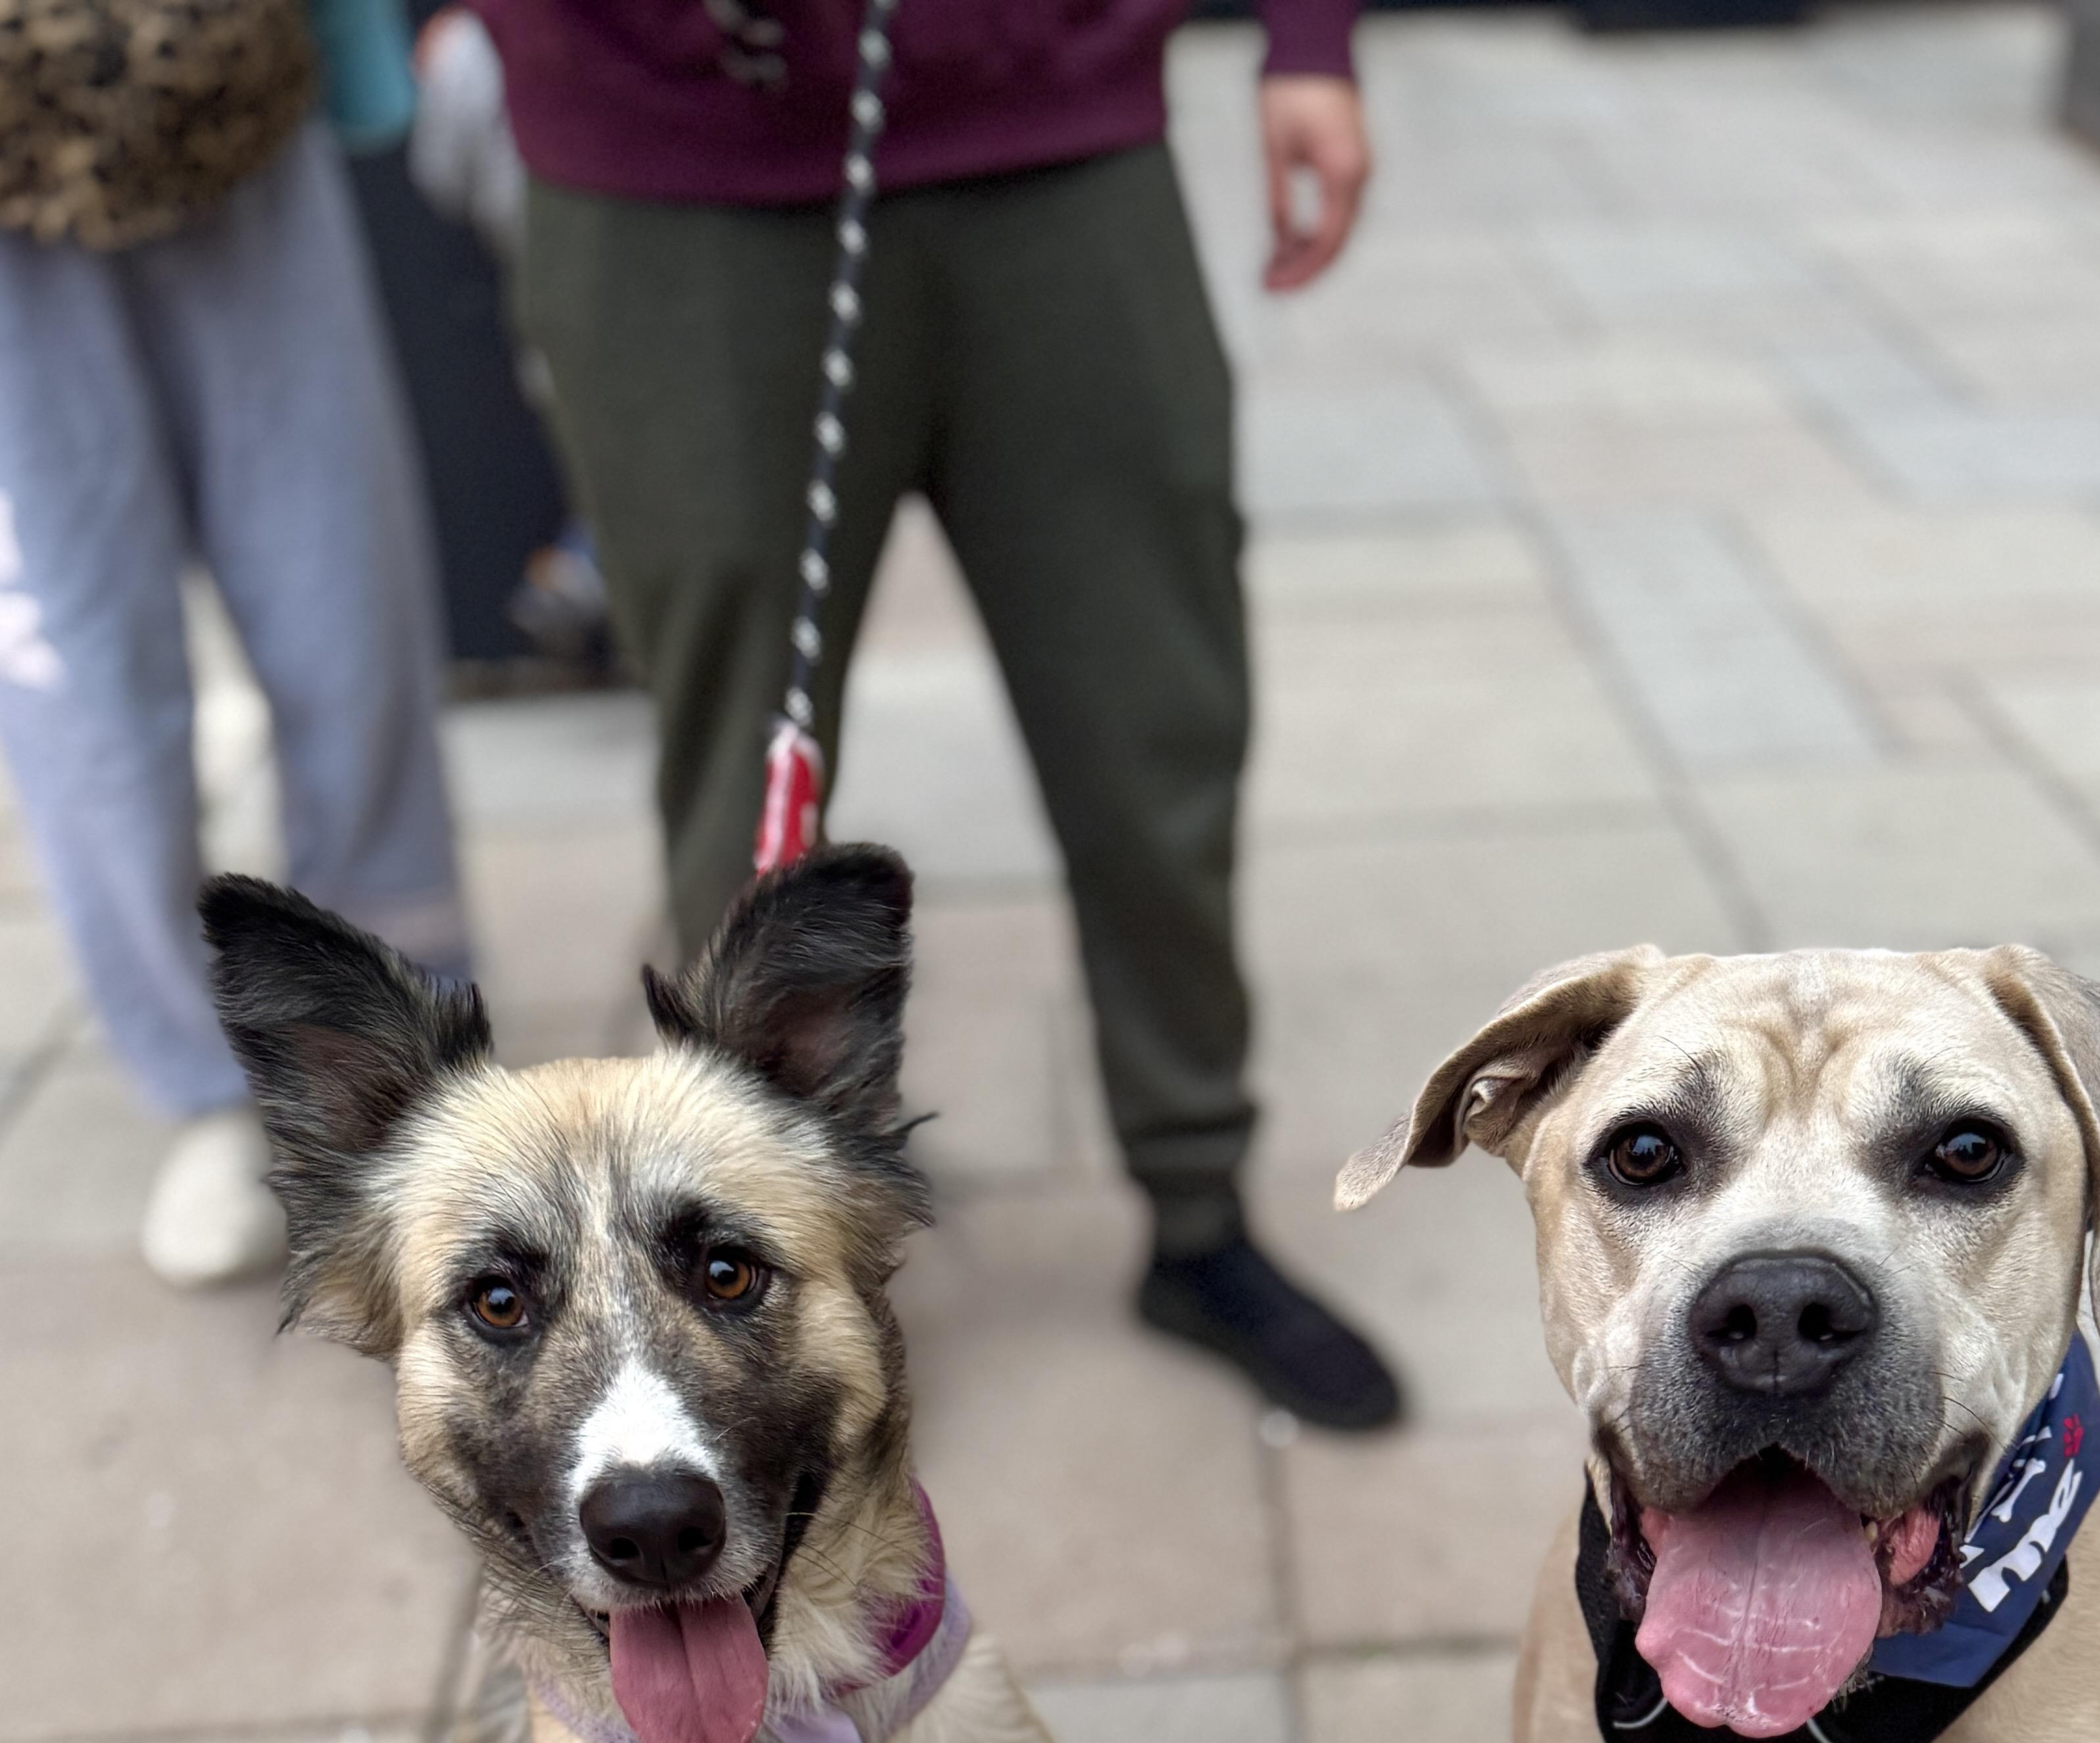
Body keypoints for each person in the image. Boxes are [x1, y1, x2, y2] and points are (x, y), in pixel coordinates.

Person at [479, 0, 1404, 1429]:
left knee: (1154, 722)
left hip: (1062, 119)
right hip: (667, 155)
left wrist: (1308, 39)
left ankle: (1199, 1206)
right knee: (745, 786)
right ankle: (762, 1273)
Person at [0, 0, 472, 1287]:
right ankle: (205, 1081)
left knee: (346, 605)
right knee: (82, 683)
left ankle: (399, 1027)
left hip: (234, 90)